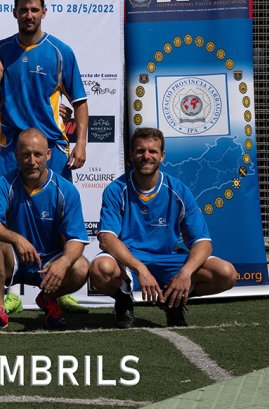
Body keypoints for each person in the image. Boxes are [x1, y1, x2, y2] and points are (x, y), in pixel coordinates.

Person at [0, 0, 90, 314]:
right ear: (14, 13)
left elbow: (79, 102)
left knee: (60, 220)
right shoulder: (2, 49)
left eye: (34, 10)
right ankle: (7, 291)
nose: (29, 15)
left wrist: (81, 142)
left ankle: (59, 290)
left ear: (43, 12)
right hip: (10, 149)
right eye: (23, 10)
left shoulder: (61, 52)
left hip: (52, 149)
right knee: (2, 220)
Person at [89, 127, 238, 328]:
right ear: (132, 155)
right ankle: (124, 300)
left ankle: (174, 300)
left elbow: (203, 242)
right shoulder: (116, 189)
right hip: (130, 261)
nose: (146, 156)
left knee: (225, 273)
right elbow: (106, 238)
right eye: (140, 151)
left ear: (162, 156)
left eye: (152, 152)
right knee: (100, 269)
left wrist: (185, 274)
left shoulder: (178, 190)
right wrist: (140, 269)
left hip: (168, 258)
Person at [0, 128, 90, 331]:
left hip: (49, 263)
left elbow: (77, 239)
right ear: (17, 155)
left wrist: (63, 262)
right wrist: (17, 239)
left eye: (38, 154)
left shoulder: (65, 190)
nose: (32, 161)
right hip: (16, 260)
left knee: (80, 267)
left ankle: (47, 299)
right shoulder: (5, 183)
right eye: (26, 154)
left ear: (48, 154)